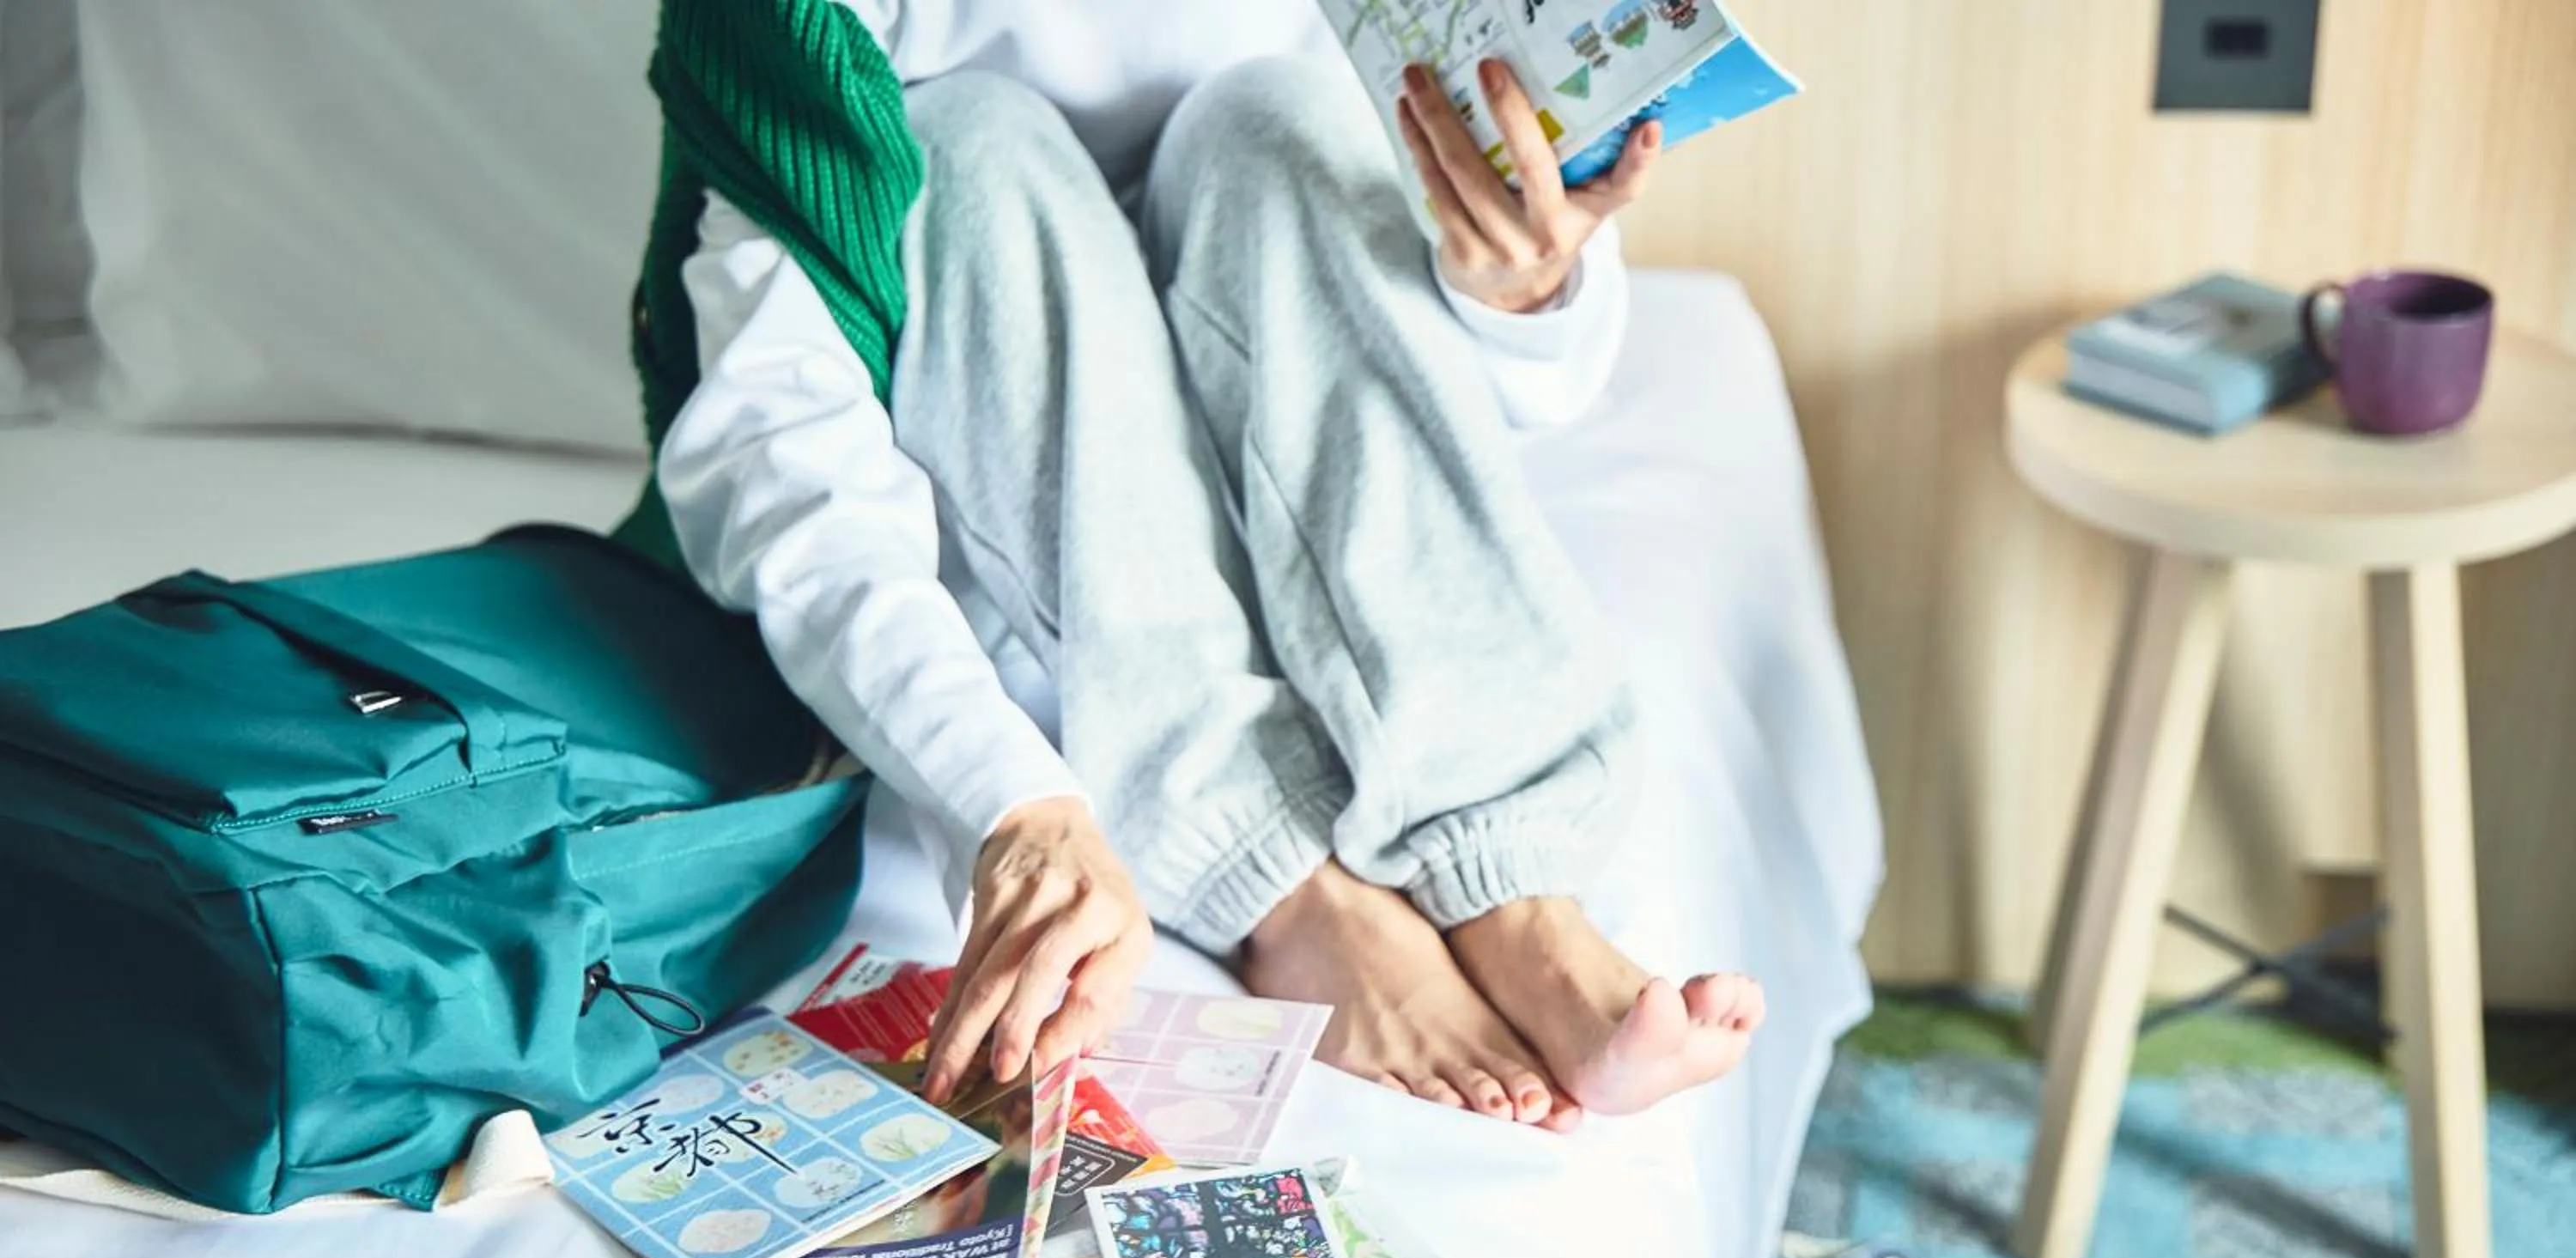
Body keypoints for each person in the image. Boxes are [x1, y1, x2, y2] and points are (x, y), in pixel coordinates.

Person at [632, 1, 1765, 1129]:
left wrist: (1525, 285)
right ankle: (1282, 878)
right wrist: (1002, 798)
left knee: (1276, 116)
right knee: (967, 144)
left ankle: (1505, 878)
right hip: (984, 429)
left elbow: (1522, 391)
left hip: (1272, 416)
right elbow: (774, 448)